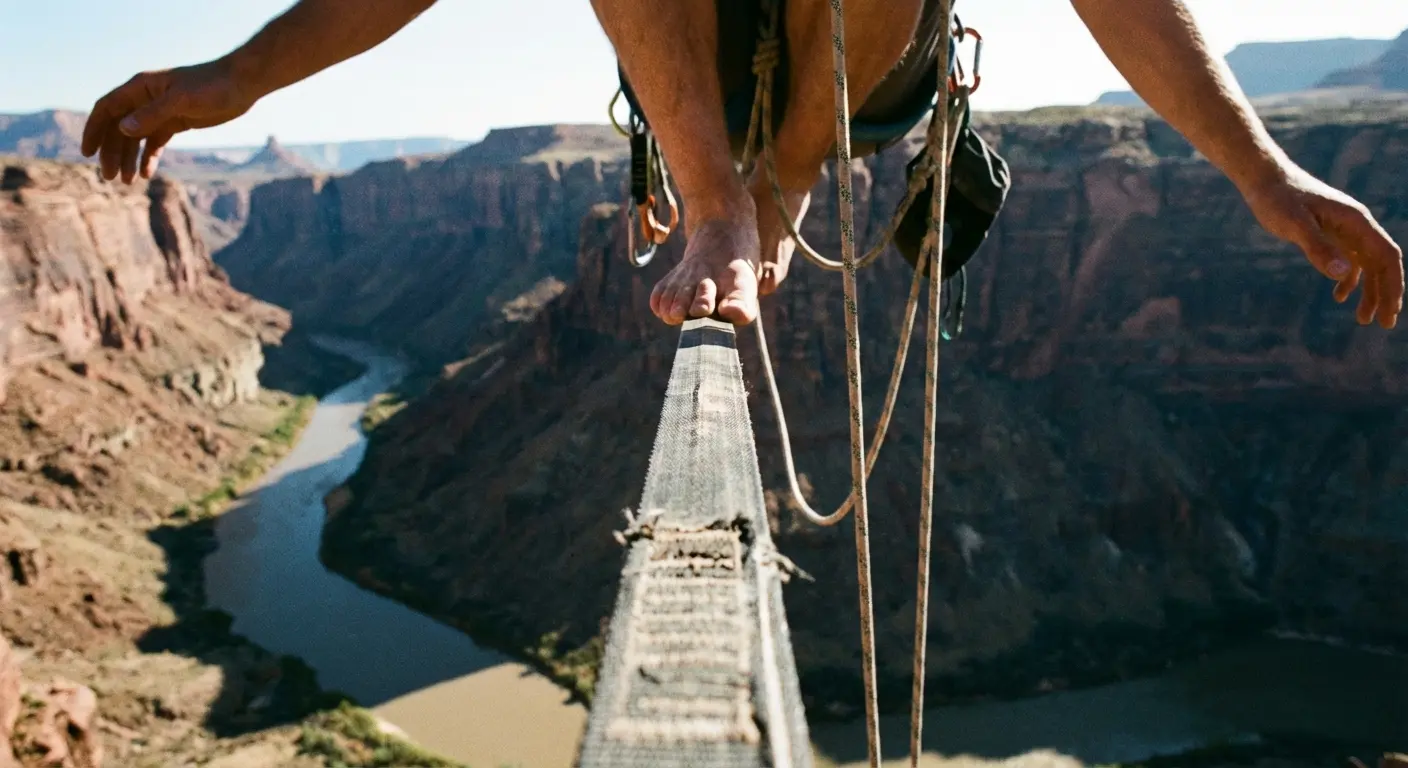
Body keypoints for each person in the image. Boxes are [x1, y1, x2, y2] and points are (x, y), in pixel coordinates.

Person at [81, 0, 1403, 330]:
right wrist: (233, 79)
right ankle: (727, 203)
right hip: (701, 62)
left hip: (866, 59)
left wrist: (1261, 173)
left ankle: (771, 191)